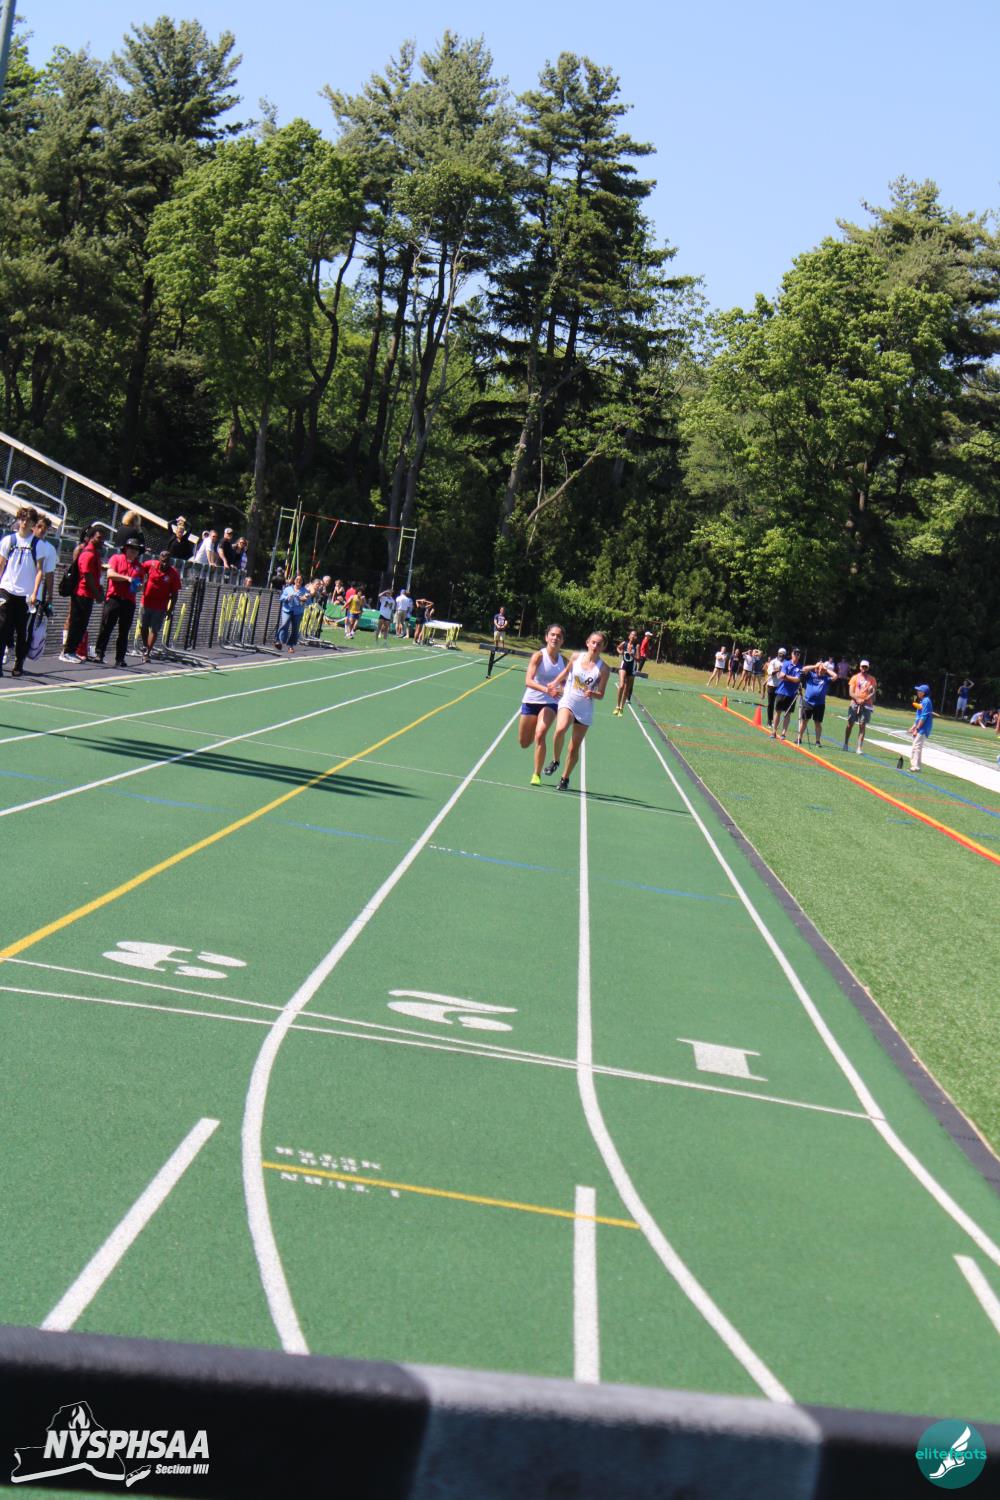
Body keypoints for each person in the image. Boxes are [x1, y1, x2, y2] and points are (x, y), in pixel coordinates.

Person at [544, 631, 610, 791]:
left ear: (603, 647)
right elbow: (565, 673)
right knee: (560, 729)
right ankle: (555, 760)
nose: (595, 646)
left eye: (599, 644)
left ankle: (564, 778)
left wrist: (593, 693)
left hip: (584, 709)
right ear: (587, 642)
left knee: (574, 747)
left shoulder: (604, 669)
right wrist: (554, 683)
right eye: (593, 642)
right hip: (568, 700)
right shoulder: (576, 657)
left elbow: (601, 694)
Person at [0, 505, 45, 677]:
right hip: (7, 589)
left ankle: (19, 663)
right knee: (2, 627)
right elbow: (1, 564)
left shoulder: (37, 545)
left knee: (21, 630)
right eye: (23, 519)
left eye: (29, 520)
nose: (25, 523)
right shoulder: (8, 540)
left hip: (25, 594)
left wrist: (34, 592)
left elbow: (40, 570)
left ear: (33, 523)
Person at [520, 624, 566, 785]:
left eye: (559, 636)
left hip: (551, 703)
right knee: (524, 742)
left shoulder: (564, 661)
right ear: (546, 637)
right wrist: (547, 689)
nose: (555, 638)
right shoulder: (538, 656)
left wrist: (562, 690)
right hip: (531, 701)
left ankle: (536, 774)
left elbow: (567, 684)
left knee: (540, 734)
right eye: (552, 634)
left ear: (562, 641)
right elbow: (528, 681)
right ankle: (534, 732)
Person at [60, 525, 105, 663]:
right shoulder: (87, 554)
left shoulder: (95, 554)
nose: (102, 541)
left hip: (88, 594)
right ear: (91, 538)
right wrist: (97, 594)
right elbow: (87, 575)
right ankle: (67, 651)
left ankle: (73, 650)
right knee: (76, 623)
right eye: (98, 538)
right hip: (81, 593)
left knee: (82, 624)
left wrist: (98, 591)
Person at [95, 538, 143, 667]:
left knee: (124, 631)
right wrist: (127, 578)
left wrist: (138, 586)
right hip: (114, 598)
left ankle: (120, 658)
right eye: (131, 548)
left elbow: (138, 585)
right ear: (126, 548)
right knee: (106, 627)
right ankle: (99, 653)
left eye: (136, 549)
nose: (133, 551)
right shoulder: (116, 558)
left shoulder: (139, 566)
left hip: (128, 601)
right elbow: (110, 574)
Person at [138, 548, 182, 662]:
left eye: (167, 561)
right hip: (146, 602)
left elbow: (175, 594)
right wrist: (140, 581)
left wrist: (170, 610)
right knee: (143, 626)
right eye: (163, 561)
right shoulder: (151, 564)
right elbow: (139, 570)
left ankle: (147, 652)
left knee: (154, 629)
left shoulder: (173, 573)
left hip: (160, 606)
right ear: (159, 559)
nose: (165, 564)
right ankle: (145, 646)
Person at [796, 656, 837, 747]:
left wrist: (826, 669)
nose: (819, 670)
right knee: (804, 721)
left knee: (817, 723)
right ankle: (799, 738)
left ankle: (817, 741)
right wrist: (815, 665)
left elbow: (835, 676)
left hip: (819, 704)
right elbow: (804, 669)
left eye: (821, 670)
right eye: (818, 669)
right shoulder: (811, 675)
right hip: (808, 702)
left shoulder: (826, 678)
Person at [843, 659, 877, 753]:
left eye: (866, 667)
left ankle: (859, 747)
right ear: (860, 667)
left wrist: (865, 700)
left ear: (868, 668)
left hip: (866, 705)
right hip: (854, 704)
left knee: (862, 725)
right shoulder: (854, 678)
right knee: (850, 724)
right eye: (863, 667)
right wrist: (857, 699)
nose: (864, 669)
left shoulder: (872, 679)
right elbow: (851, 692)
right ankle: (845, 743)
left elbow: (873, 692)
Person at [770, 648, 803, 740]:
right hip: (782, 691)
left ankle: (783, 733)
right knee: (777, 712)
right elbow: (781, 676)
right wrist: (791, 678)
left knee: (788, 714)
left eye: (798, 654)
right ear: (792, 654)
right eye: (795, 653)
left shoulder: (800, 667)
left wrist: (786, 677)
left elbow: (797, 680)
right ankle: (774, 731)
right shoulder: (786, 663)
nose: (796, 655)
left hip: (792, 694)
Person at [275, 572, 310, 652]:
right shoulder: (288, 589)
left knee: (295, 628)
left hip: (298, 612)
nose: (298, 581)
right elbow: (281, 598)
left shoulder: (305, 591)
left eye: (300, 580)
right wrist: (287, 598)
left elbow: (309, 602)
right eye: (297, 580)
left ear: (302, 582)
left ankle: (290, 645)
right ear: (294, 580)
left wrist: (305, 599)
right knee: (284, 625)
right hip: (287, 610)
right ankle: (279, 641)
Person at [613, 630, 640, 716]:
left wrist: (632, 654)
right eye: (631, 634)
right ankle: (617, 706)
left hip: (631, 668)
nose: (633, 636)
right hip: (623, 666)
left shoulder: (637, 646)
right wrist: (620, 652)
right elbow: (618, 648)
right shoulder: (624, 643)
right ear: (629, 636)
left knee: (626, 689)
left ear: (636, 638)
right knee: (621, 685)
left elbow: (638, 659)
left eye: (635, 635)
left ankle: (621, 708)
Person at [909, 684, 933, 771]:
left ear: (924, 692)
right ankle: (916, 766)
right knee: (916, 746)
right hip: (920, 727)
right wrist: (913, 727)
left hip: (923, 728)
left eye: (919, 691)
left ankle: (916, 766)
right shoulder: (923, 701)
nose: (918, 692)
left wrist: (917, 729)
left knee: (916, 746)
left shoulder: (926, 701)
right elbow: (918, 717)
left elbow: (923, 717)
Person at [764, 647, 787, 727]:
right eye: (780, 654)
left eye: (783, 655)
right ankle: (769, 720)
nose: (781, 656)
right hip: (772, 684)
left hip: (780, 686)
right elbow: (770, 672)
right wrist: (778, 670)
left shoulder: (786, 663)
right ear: (778, 654)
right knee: (771, 704)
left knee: (778, 705)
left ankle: (775, 721)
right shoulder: (773, 662)